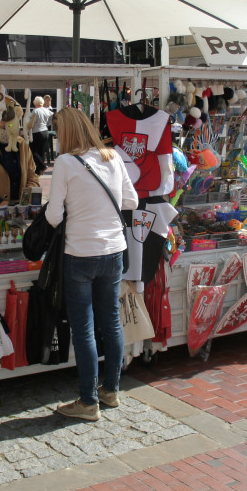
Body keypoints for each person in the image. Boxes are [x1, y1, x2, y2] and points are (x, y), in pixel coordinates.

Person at [46, 107, 138, 421]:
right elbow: (131, 202)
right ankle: (110, 390)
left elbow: (54, 216)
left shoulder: (65, 162)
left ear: (66, 132)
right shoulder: (112, 156)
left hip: (80, 253)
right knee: (110, 321)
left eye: (58, 131)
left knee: (84, 328)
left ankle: (88, 402)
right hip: (113, 250)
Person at [27, 95, 54, 175]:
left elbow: (31, 122)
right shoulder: (47, 110)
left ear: (35, 103)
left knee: (32, 150)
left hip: (37, 132)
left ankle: (42, 166)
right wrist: (47, 124)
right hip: (45, 131)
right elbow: (51, 117)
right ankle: (38, 171)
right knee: (41, 151)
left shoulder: (35, 111)